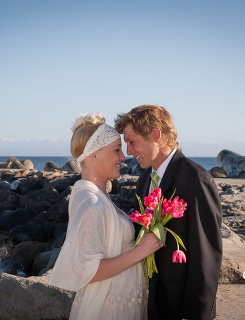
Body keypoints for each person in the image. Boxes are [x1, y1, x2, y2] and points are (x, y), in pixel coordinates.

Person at [48, 113, 163, 320]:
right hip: (106, 309)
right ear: (93, 155)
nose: (123, 157)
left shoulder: (97, 197)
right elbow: (88, 270)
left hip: (118, 302)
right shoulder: (91, 204)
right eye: (116, 150)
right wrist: (141, 251)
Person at [114, 105, 223, 320]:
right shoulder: (144, 181)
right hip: (151, 303)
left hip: (181, 306)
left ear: (156, 135)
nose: (128, 152)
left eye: (132, 141)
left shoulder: (195, 179)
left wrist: (195, 315)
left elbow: (207, 255)